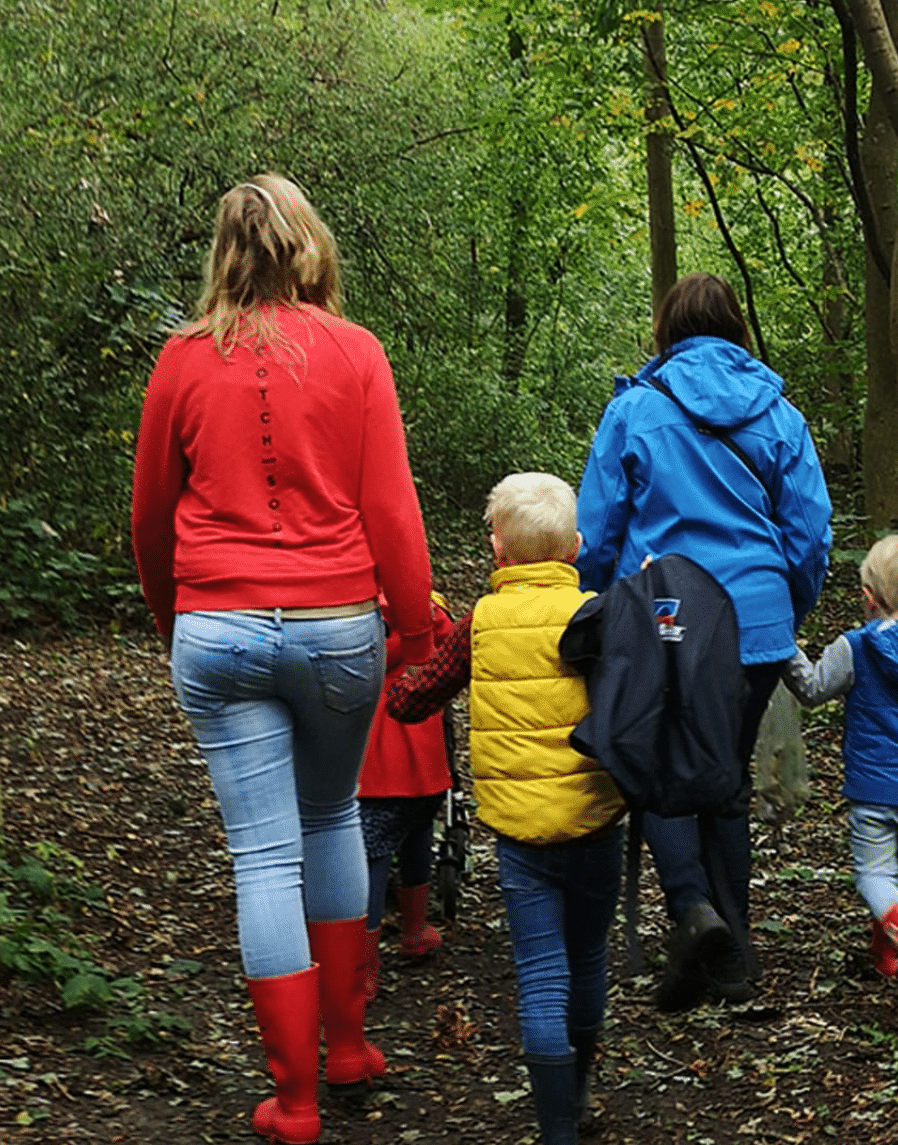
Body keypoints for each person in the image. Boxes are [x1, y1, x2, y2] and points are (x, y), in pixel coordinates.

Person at [131, 173, 435, 1145]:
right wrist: (420, 635)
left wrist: (167, 613)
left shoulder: (181, 358)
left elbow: (149, 513)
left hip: (216, 628)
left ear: (224, 253)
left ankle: (292, 1101)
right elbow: (390, 508)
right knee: (333, 813)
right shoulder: (355, 353)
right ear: (309, 246)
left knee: (262, 852)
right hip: (338, 621)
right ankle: (346, 1050)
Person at [575, 272, 833, 1010]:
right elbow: (809, 532)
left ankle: (692, 909)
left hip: (662, 621)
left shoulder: (633, 410)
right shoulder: (780, 416)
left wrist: (598, 606)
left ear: (666, 329)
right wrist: (787, 609)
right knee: (723, 783)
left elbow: (595, 532)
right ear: (735, 328)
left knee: (654, 768)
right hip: (751, 625)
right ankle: (733, 954)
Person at [388, 472, 627, 1145]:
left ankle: (555, 1129)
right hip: (595, 817)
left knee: (541, 974)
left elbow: (417, 697)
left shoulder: (478, 624)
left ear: (496, 552)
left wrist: (375, 692)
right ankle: (577, 1094)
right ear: (575, 547)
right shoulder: (599, 615)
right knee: (587, 957)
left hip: (520, 834)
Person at [782, 534, 898, 1012]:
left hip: (873, 787)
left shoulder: (856, 648)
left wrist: (782, 645)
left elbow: (811, 688)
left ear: (868, 596)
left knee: (872, 874)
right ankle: (886, 956)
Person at [358, 592, 455, 1001]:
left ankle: (363, 972)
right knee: (418, 838)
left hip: (378, 761)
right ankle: (414, 932)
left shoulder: (356, 611)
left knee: (371, 858)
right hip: (428, 753)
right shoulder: (429, 609)